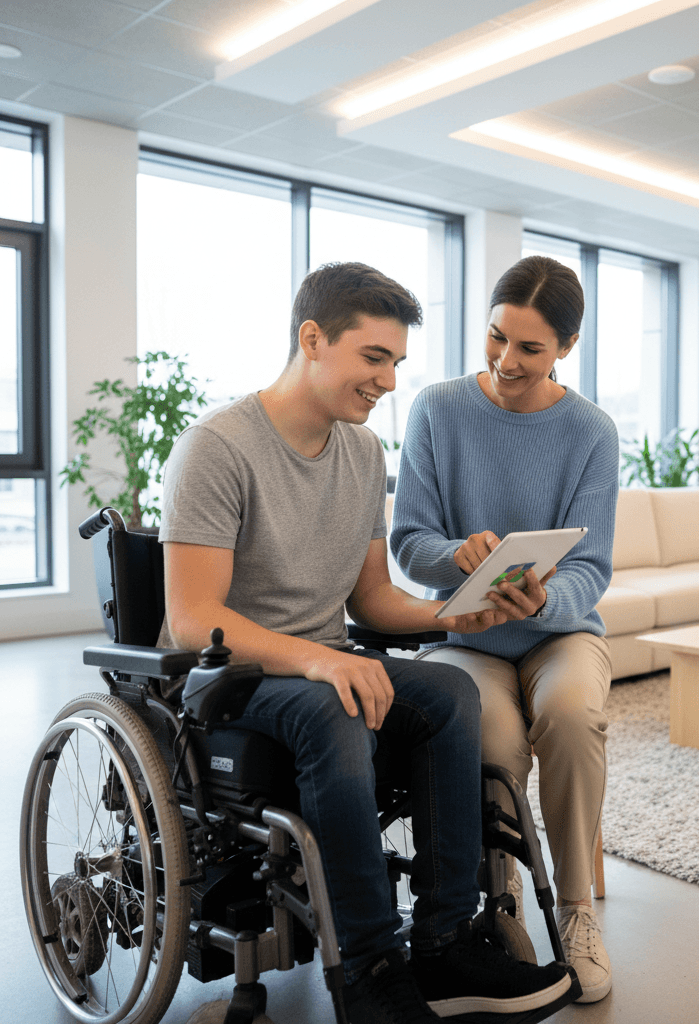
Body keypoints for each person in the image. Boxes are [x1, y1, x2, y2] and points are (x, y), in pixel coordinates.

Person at [159, 262, 572, 1024]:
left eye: (396, 363)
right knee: (333, 708)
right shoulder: (217, 447)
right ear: (313, 339)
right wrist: (321, 658)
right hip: (232, 677)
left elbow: (372, 598)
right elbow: (192, 618)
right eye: (373, 358)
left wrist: (457, 615)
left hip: (322, 662)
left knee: (451, 691)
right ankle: (370, 968)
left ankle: (445, 941)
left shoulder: (362, 453)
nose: (387, 382)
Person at [390, 255, 619, 1003]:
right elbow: (408, 539)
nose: (506, 361)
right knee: (488, 736)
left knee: (573, 712)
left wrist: (545, 604)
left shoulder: (590, 430)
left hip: (560, 632)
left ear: (567, 347)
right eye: (497, 338)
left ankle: (578, 910)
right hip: (467, 634)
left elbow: (591, 566)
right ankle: (504, 898)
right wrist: (457, 554)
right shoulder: (438, 408)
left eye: (531, 348)